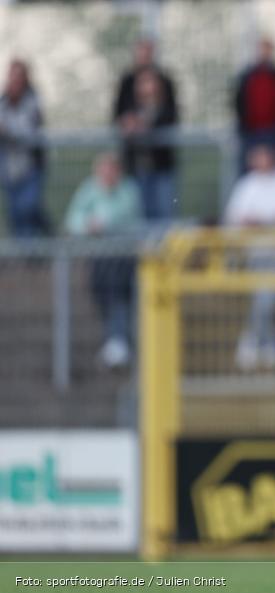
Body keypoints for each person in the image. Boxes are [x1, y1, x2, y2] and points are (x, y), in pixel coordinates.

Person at [64, 153, 142, 368]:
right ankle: (115, 339)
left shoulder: (128, 189)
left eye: (111, 169)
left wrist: (98, 223)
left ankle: (120, 341)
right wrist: (87, 225)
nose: (106, 175)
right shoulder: (90, 189)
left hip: (123, 258)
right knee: (102, 296)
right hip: (99, 259)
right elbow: (73, 219)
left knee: (118, 296)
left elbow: (121, 215)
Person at [225, 144, 275, 371]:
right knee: (264, 299)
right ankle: (264, 343)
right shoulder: (246, 185)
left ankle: (256, 341)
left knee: (265, 299)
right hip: (256, 253)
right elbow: (235, 219)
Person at [117, 67, 179, 222]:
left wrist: (144, 124)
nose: (148, 87)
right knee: (139, 214)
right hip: (137, 169)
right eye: (143, 82)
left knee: (164, 213)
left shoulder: (165, 107)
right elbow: (120, 122)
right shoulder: (129, 107)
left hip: (161, 169)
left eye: (151, 82)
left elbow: (168, 121)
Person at [0, 58, 49, 237]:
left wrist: (7, 130)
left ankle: (41, 240)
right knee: (15, 214)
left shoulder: (34, 99)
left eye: (18, 76)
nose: (15, 80)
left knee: (28, 207)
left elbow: (30, 129)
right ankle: (25, 255)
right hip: (10, 169)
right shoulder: (3, 101)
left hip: (31, 167)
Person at [234, 37, 275, 173]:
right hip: (251, 132)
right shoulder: (247, 75)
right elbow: (239, 102)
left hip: (274, 131)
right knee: (248, 170)